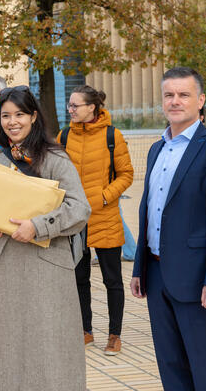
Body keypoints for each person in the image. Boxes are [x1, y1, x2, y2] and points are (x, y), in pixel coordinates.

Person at [0, 85, 91, 390]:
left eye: (20, 114)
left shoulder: (54, 158)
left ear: (34, 116)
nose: (13, 121)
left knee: (49, 351)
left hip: (46, 271)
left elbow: (79, 208)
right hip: (5, 271)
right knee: (9, 349)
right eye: (6, 115)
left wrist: (38, 226)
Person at [130, 67, 206, 390]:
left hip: (199, 281)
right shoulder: (156, 149)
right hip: (157, 274)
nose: (175, 101)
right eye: (169, 95)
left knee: (205, 370)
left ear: (201, 100)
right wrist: (140, 267)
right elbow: (149, 213)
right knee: (170, 368)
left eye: (183, 94)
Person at [58, 85, 133, 355]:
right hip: (75, 221)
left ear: (92, 108)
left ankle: (115, 335)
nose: (70, 110)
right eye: (70, 105)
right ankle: (84, 330)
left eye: (75, 105)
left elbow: (126, 174)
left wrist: (102, 197)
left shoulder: (113, 136)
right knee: (79, 278)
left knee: (112, 280)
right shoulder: (64, 135)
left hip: (105, 218)